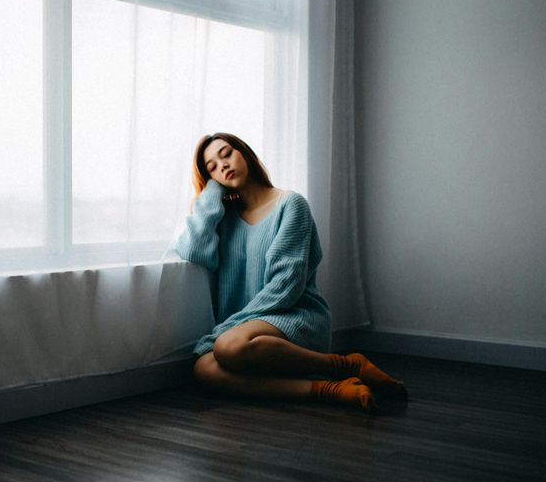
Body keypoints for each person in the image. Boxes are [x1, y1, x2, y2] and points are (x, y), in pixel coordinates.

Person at [173, 132, 407, 413]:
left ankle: (345, 364)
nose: (223, 165)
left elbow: (287, 285)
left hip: (293, 315)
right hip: (246, 334)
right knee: (203, 369)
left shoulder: (290, 205)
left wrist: (226, 330)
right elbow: (195, 250)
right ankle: (326, 390)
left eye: (226, 154)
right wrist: (211, 192)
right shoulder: (225, 220)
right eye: (212, 167)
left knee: (226, 347)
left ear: (245, 153)